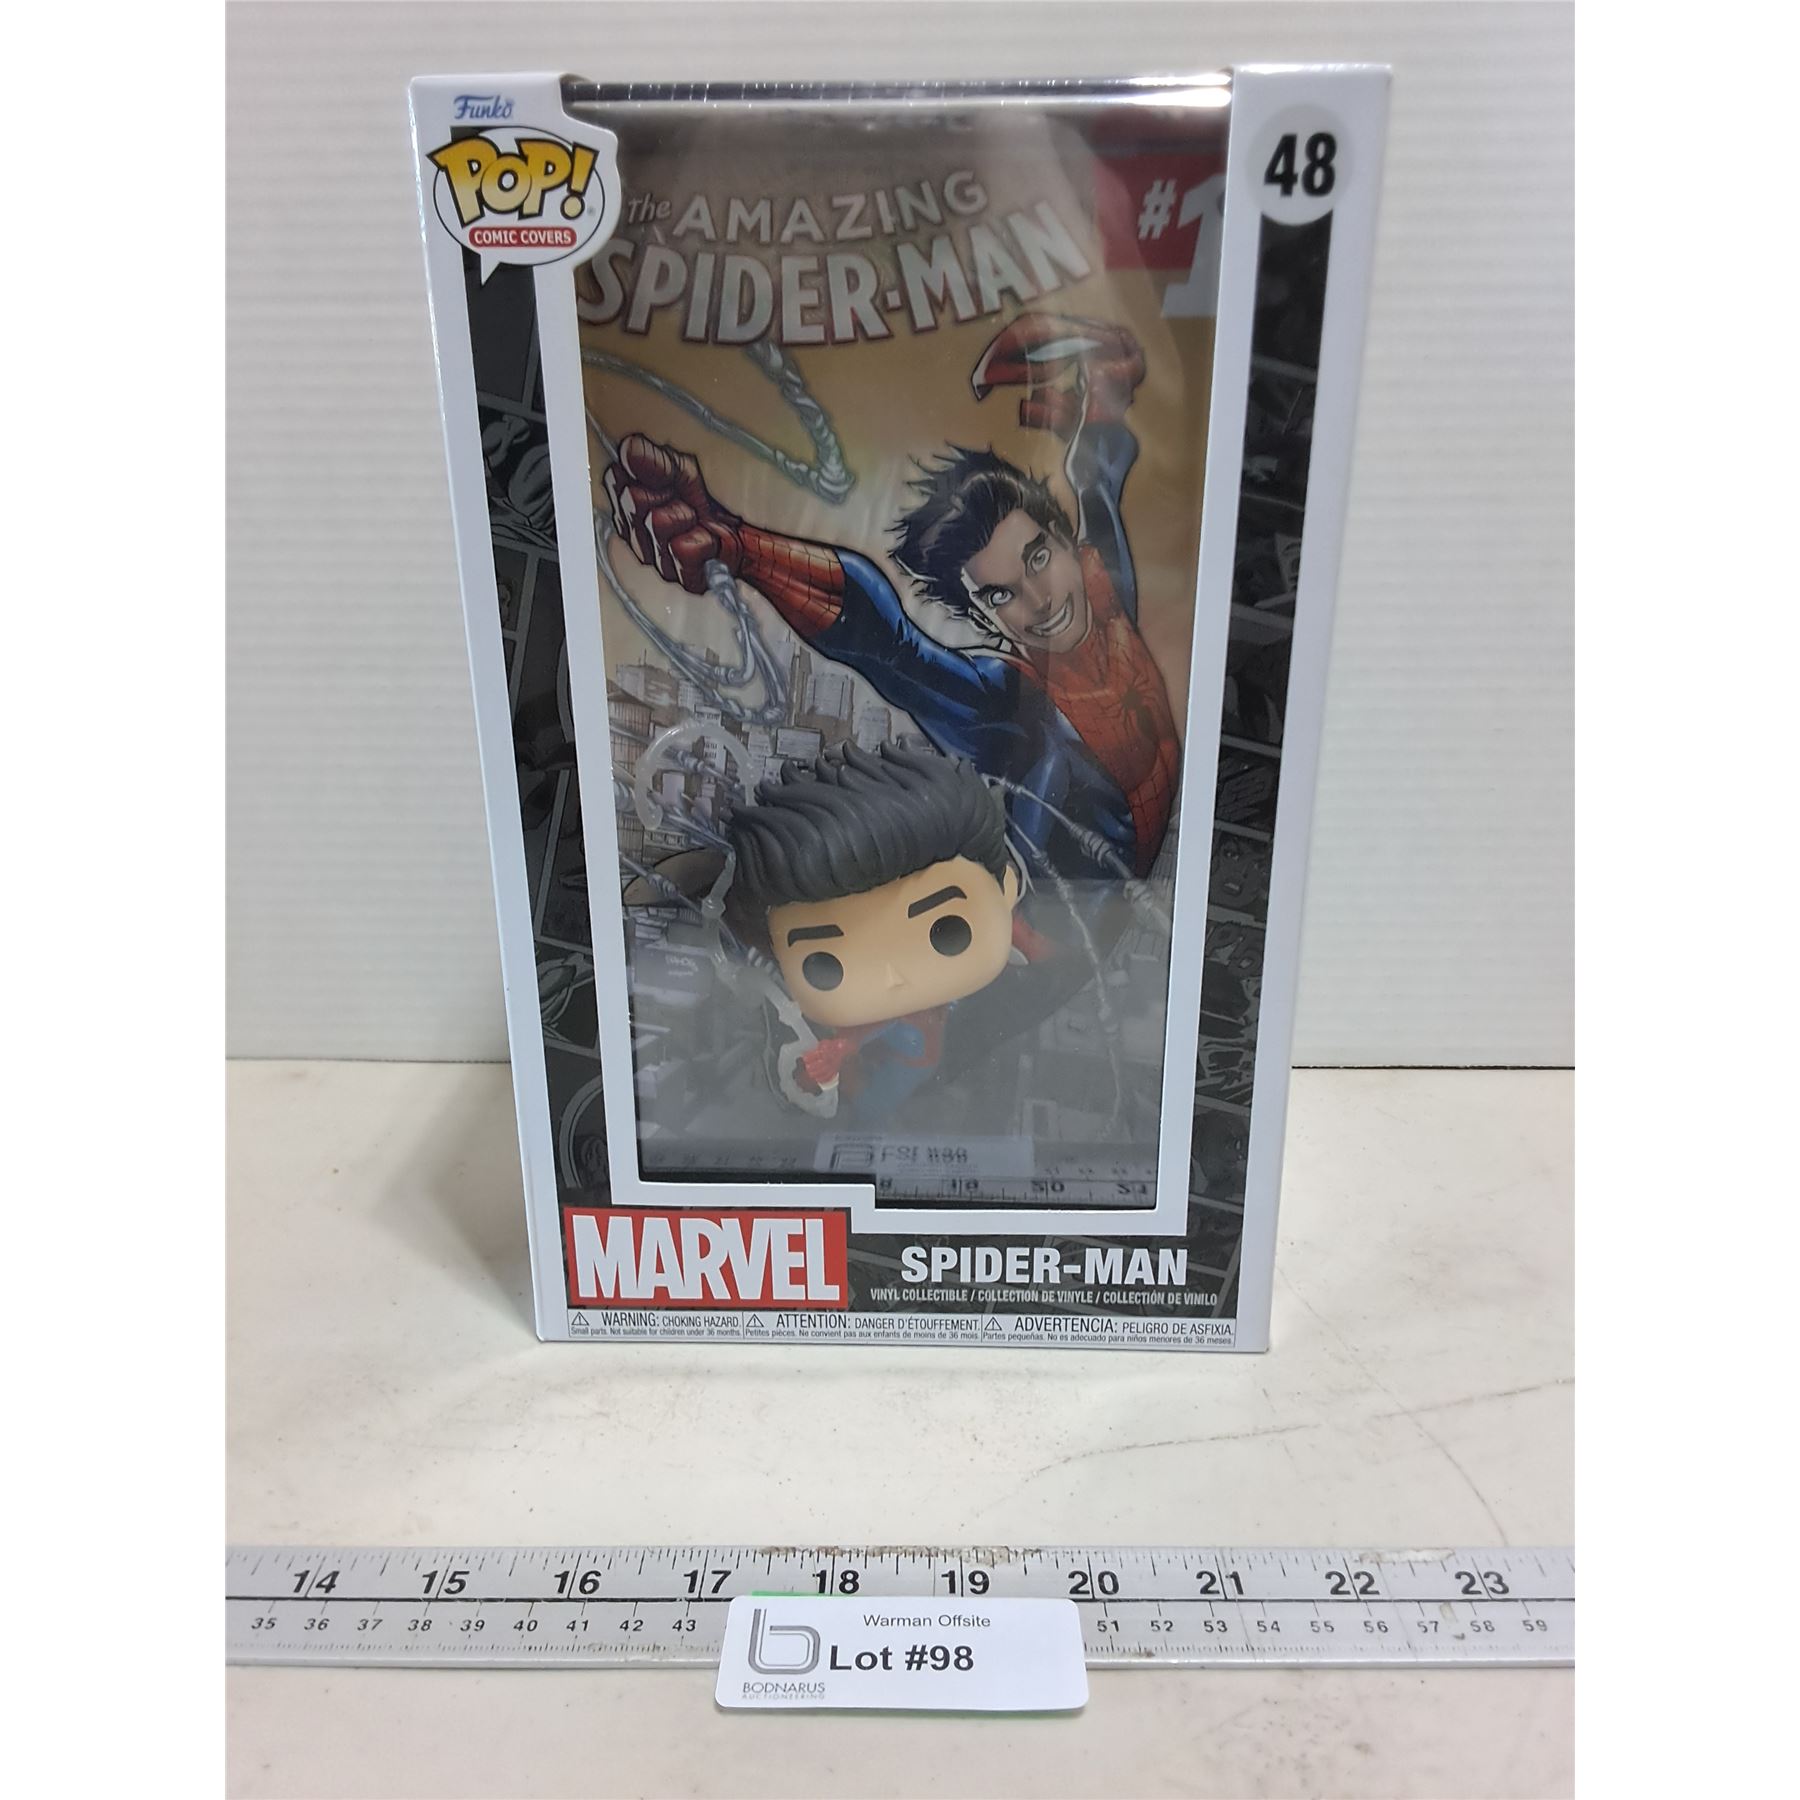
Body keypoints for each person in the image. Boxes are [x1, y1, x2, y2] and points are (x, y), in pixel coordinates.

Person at [603, 312, 1180, 885]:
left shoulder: (1104, 592)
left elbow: (1097, 480)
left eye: (1038, 558)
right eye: (1003, 593)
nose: (1042, 600)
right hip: (1067, 925)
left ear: (1063, 541)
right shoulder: (1010, 705)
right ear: (983, 617)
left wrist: (1105, 391)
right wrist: (741, 547)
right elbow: (889, 645)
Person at [725, 742, 1021, 1122]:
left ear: (1007, 888)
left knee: (876, 1093)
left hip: (911, 1059)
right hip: (897, 1060)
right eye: (824, 964)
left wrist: (843, 1050)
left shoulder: (940, 1013)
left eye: (948, 930)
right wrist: (839, 1054)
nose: (893, 975)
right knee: (873, 1094)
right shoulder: (889, 1024)